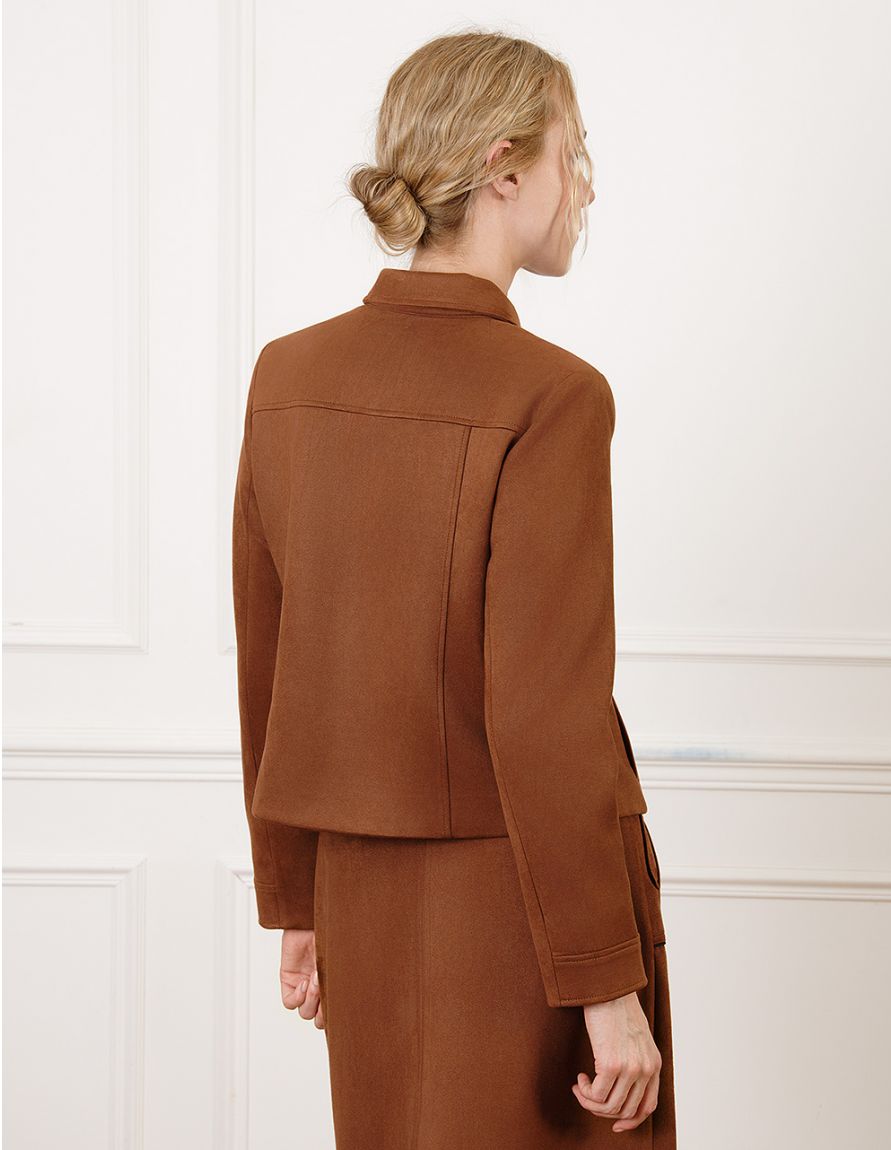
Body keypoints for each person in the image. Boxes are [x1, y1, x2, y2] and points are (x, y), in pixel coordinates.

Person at [232, 28, 676, 1148]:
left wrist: (297, 899)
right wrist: (604, 983)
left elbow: (271, 662)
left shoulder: (288, 377)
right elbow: (544, 713)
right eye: (575, 154)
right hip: (520, 914)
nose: (587, 189)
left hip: (358, 896)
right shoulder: (554, 396)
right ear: (503, 169)